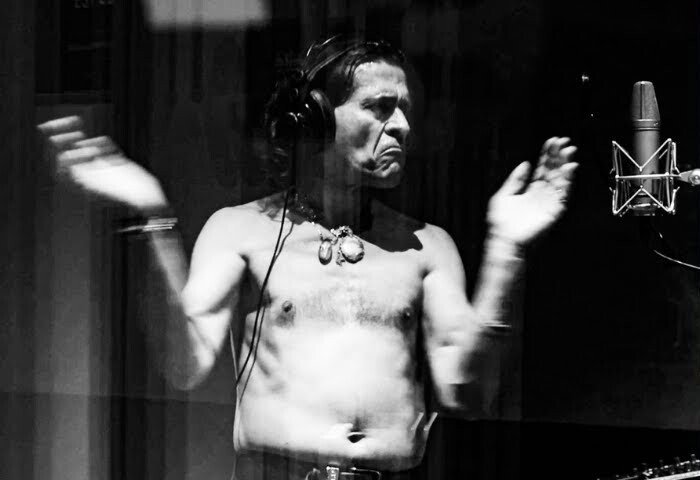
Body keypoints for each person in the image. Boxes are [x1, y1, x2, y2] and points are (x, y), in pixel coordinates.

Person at [38, 37, 578, 480]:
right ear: (314, 118)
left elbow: (468, 392)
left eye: (406, 110)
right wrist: (149, 213)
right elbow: (185, 362)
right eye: (379, 107)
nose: (402, 126)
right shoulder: (240, 230)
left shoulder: (426, 246)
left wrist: (507, 250)